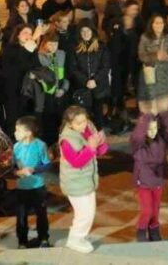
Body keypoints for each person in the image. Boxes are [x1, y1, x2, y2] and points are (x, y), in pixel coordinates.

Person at [58, 105, 107, 254]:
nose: (83, 125)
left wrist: (101, 142)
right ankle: (75, 239)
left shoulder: (88, 128)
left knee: (87, 213)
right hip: (75, 183)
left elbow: (99, 152)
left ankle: (78, 236)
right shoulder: (67, 140)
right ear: (69, 123)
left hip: (86, 180)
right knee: (85, 214)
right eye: (78, 123)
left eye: (84, 121)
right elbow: (76, 162)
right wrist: (91, 147)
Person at [129, 111, 168, 242]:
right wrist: (147, 118)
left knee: (155, 209)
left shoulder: (160, 140)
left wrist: (163, 111)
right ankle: (142, 229)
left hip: (158, 180)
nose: (153, 131)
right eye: (149, 129)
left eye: (155, 128)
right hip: (143, 183)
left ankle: (154, 228)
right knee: (147, 210)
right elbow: (137, 135)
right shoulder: (138, 144)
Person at [12, 116, 52, 249]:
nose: (15, 133)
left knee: (41, 214)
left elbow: (47, 165)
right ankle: (22, 241)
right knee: (21, 216)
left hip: (37, 187)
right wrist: (16, 173)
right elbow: (13, 168)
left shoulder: (40, 145)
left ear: (29, 132)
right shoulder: (16, 147)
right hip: (21, 188)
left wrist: (34, 169)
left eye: (18, 130)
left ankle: (44, 238)